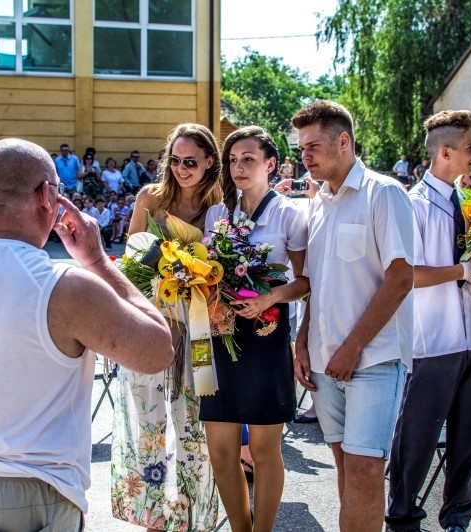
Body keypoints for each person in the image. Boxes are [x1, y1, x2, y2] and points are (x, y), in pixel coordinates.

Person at [0, 138, 174, 530]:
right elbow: (157, 349)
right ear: (45, 195)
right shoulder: (63, 285)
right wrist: (98, 261)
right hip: (25, 492)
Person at [291, 100, 414, 531]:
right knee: (345, 467)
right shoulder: (318, 203)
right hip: (324, 362)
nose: (305, 156)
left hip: (373, 359)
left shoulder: (385, 193)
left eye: (314, 146)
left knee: (364, 470)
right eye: (301, 148)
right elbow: (315, 285)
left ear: (343, 141)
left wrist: (352, 347)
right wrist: (302, 341)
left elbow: (400, 279)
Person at [112, 123, 222, 531]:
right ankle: (154, 516)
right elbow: (129, 261)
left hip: (198, 332)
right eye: (174, 160)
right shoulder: (151, 198)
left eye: (190, 161)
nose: (180, 168)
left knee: (194, 429)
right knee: (150, 426)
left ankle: (194, 518)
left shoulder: (222, 206)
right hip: (151, 329)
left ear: (210, 161)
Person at [386, 110, 471, 532]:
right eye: (470, 148)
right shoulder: (413, 206)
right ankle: (403, 516)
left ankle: (458, 519)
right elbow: (405, 274)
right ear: (445, 152)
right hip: (433, 341)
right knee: (417, 438)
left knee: (469, 438)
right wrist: (459, 272)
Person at [200, 126, 309, 532]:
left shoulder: (289, 213)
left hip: (266, 337)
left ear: (270, 164)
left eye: (248, 159)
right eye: (232, 160)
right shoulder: (217, 214)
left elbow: (305, 282)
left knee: (264, 450)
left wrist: (269, 298)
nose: (239, 167)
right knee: (221, 452)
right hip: (220, 335)